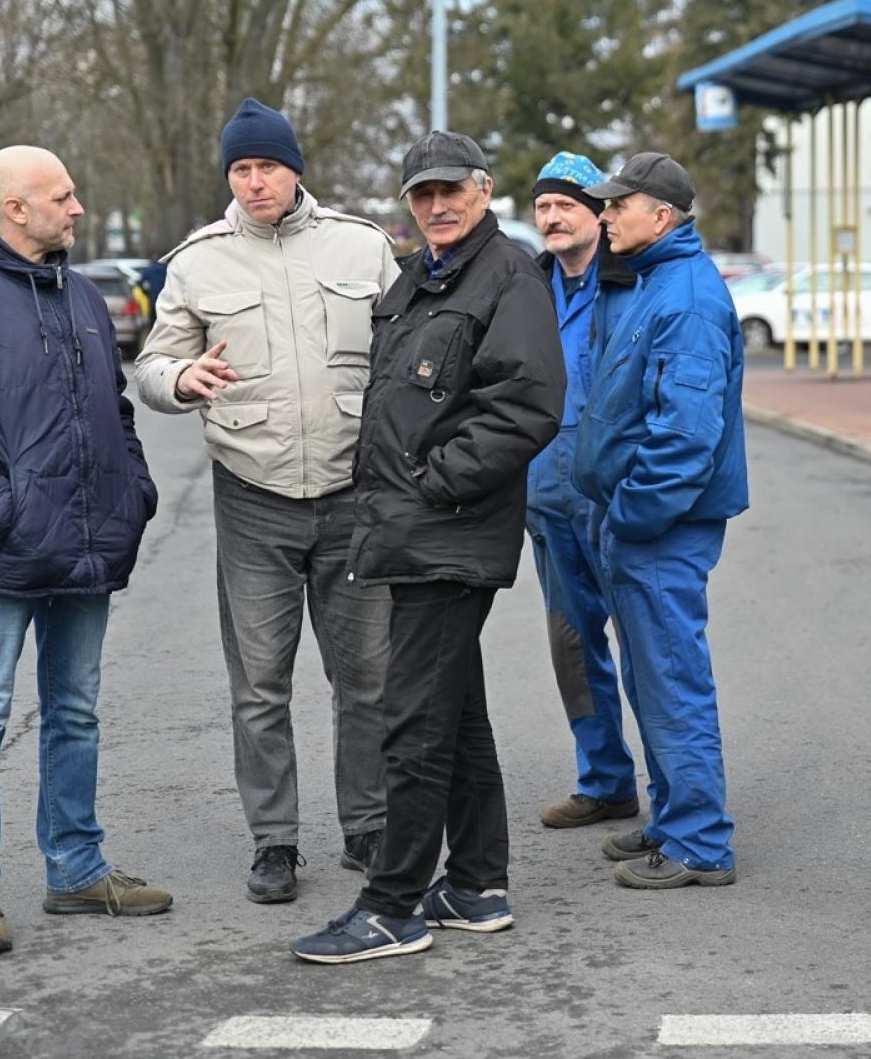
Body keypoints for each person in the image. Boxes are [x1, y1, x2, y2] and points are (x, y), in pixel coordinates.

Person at [291, 131, 563, 964]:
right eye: (421, 194)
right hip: (411, 529)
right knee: (458, 713)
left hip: (445, 530)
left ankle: (392, 903)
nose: (437, 205)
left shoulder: (507, 274)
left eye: (451, 190)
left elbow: (528, 404)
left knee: (410, 719)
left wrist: (436, 482)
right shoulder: (419, 279)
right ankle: (477, 884)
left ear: (484, 191)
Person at [0, 145, 172, 955]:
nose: (78, 208)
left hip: (87, 546)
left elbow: (113, 409)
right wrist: (5, 509)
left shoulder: (83, 294)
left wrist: (135, 489)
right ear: (16, 208)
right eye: (64, 196)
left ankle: (77, 868)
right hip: (3, 550)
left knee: (75, 711)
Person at [135, 98, 397, 905]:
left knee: (368, 677)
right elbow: (151, 363)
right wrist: (181, 379)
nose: (255, 182)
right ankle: (275, 841)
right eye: (241, 169)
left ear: (296, 169)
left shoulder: (363, 245)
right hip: (254, 496)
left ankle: (369, 824)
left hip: (356, 494)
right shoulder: (197, 262)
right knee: (260, 684)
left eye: (268, 166)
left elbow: (412, 340)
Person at [572, 152, 750, 890]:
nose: (605, 215)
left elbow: (685, 435)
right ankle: (673, 813)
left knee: (671, 676)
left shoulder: (687, 298)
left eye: (619, 205)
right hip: (636, 519)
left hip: (659, 525)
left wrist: (634, 514)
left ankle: (700, 842)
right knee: (651, 676)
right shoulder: (646, 280)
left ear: (662, 216)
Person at [525, 151, 642, 829]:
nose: (553, 216)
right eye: (543, 205)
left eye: (566, 203)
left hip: (617, 498)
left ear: (598, 211)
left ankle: (677, 793)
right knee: (573, 644)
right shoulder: (529, 288)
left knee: (645, 644)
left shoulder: (631, 281)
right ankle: (604, 780)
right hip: (546, 499)